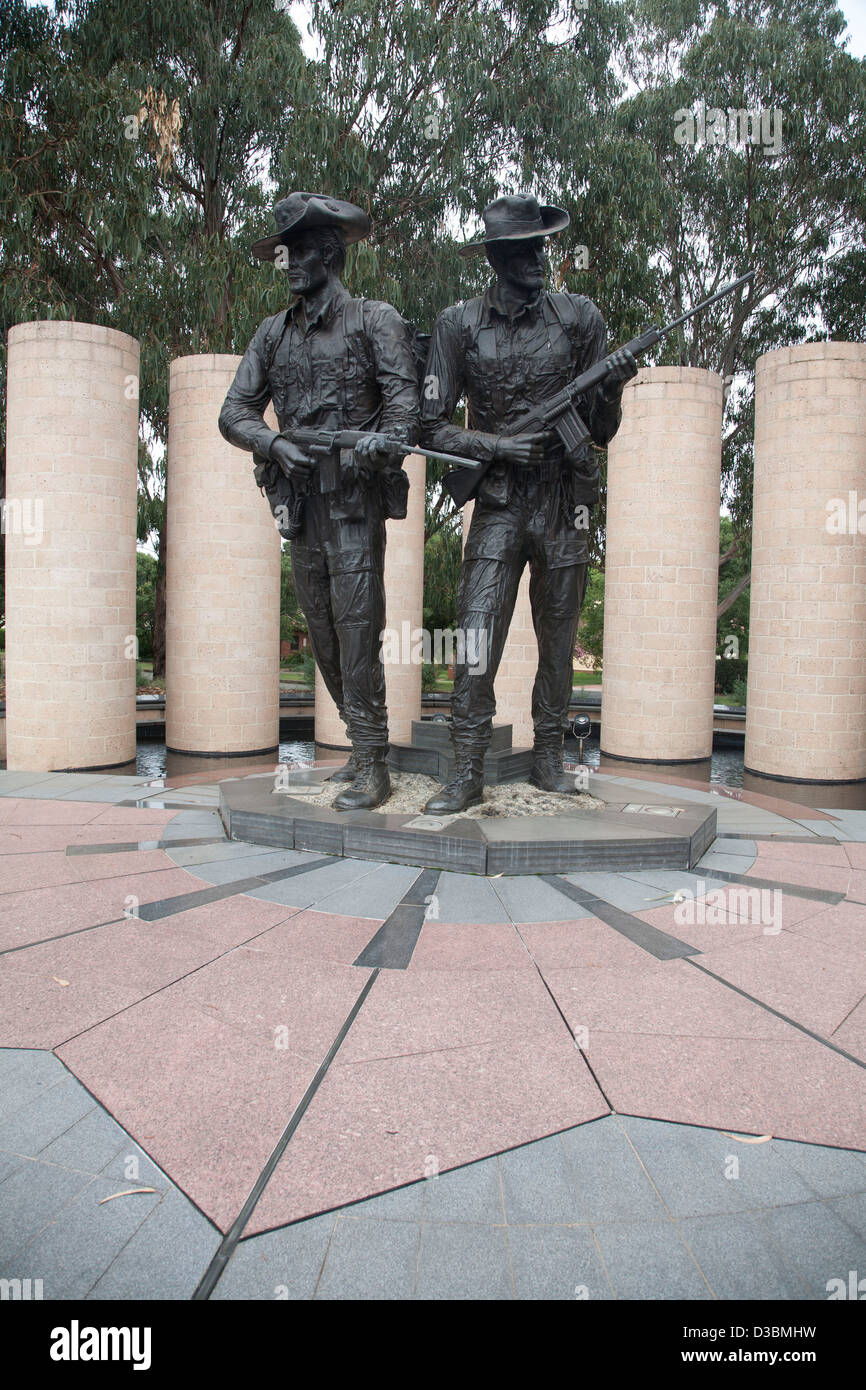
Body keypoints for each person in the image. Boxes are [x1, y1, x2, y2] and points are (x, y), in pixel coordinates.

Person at [420, 193, 637, 814]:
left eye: (542, 244)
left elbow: (601, 429)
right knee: (476, 634)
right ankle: (466, 768)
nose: (537, 257)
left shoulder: (580, 319)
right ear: (495, 257)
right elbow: (427, 425)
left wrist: (612, 388)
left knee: (557, 637)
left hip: (566, 501)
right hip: (497, 502)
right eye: (522, 249)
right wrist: (497, 445)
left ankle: (548, 756)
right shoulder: (457, 326)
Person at [219, 192, 420, 810]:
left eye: (300, 250)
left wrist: (378, 445)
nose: (289, 262)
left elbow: (406, 408)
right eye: (285, 252)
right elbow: (233, 412)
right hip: (300, 505)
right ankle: (361, 751)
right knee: (324, 638)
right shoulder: (271, 334)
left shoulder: (373, 320)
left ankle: (375, 763)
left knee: (358, 632)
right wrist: (274, 444)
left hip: (354, 503)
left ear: (330, 253)